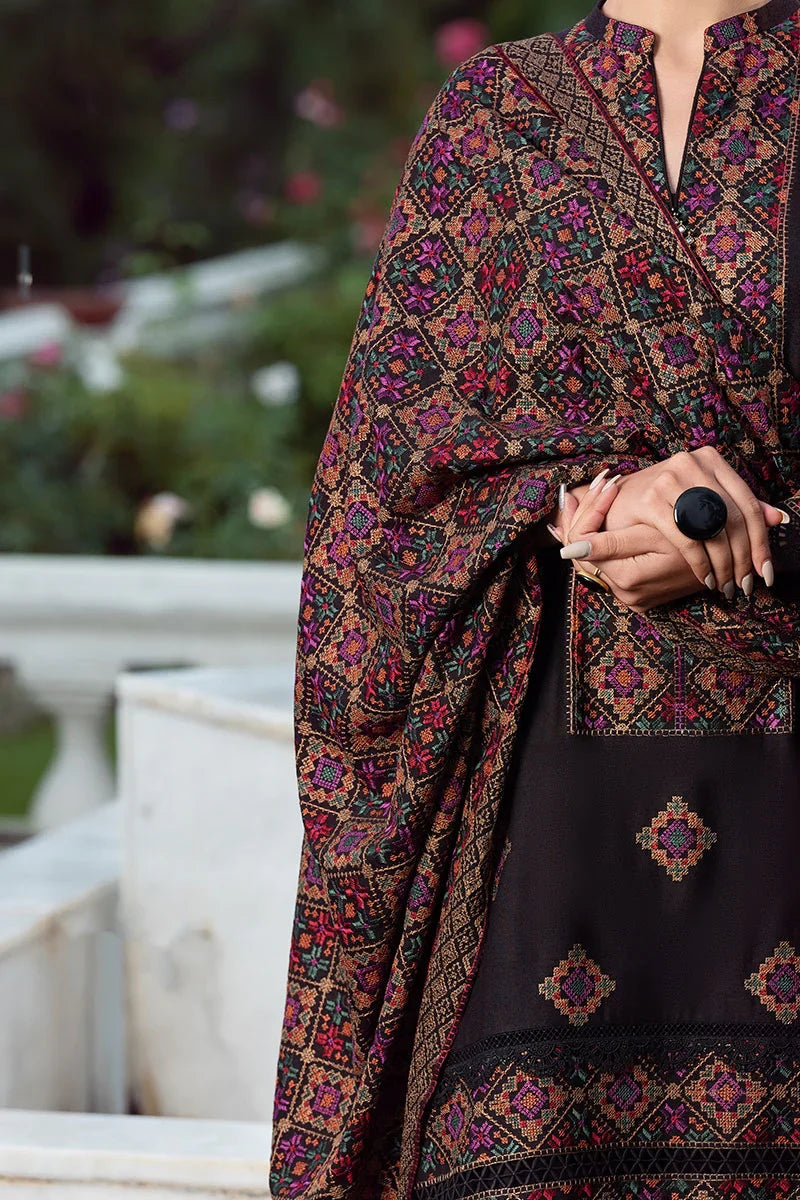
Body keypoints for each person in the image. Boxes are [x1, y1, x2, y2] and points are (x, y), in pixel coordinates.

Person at [270, 2, 800, 1197]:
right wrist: (597, 499)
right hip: (543, 871)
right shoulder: (496, 116)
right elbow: (380, 508)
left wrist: (757, 535)